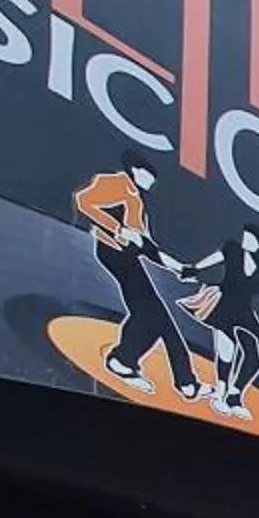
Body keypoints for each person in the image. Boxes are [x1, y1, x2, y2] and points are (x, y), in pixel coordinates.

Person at [73, 158, 199, 399]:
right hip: (113, 251)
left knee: (151, 315)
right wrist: (118, 229)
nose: (151, 182)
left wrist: (179, 269)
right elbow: (84, 201)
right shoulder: (117, 183)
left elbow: (146, 245)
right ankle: (180, 379)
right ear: (137, 171)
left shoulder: (137, 202)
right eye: (149, 176)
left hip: (128, 257)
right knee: (154, 315)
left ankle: (128, 361)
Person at [178, 229, 259, 418]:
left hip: (244, 313)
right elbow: (212, 259)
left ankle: (234, 396)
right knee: (227, 351)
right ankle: (219, 393)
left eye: (249, 237)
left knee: (255, 356)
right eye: (244, 235)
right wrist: (193, 269)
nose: (244, 239)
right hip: (223, 305)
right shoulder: (232, 249)